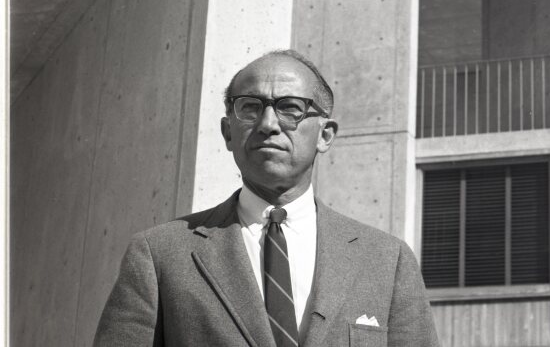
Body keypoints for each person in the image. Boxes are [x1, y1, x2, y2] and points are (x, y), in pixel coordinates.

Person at [94, 50, 440, 347]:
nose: (268, 123)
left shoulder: (386, 260)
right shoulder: (160, 253)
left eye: (291, 107)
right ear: (228, 132)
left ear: (325, 135)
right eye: (250, 107)